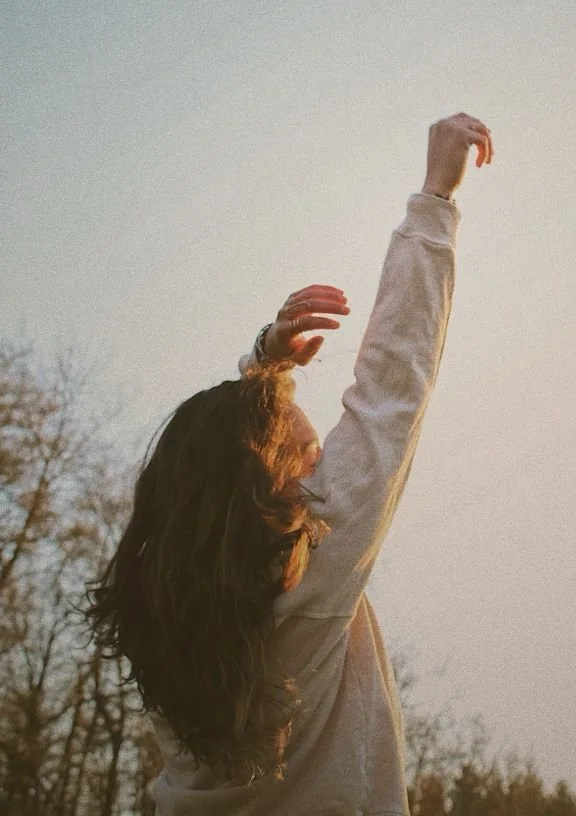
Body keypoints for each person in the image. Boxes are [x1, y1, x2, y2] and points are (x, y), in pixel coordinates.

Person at [86, 112, 493, 815]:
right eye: (305, 456)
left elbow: (213, 481)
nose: (319, 463)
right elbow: (390, 392)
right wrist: (433, 202)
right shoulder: (310, 582)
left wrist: (262, 370)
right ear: (271, 490)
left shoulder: (165, 627)